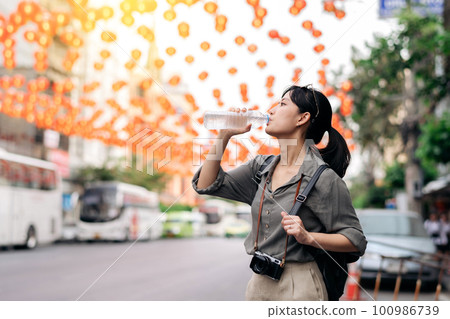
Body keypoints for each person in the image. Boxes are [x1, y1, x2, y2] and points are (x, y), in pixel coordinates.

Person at [192, 85, 367, 301]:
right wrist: (224, 135)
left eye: (282, 104)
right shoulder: (260, 168)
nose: (271, 111)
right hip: (259, 281)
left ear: (302, 118)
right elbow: (206, 184)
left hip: (301, 284)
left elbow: (355, 239)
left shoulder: (323, 178)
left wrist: (308, 237)